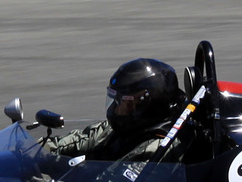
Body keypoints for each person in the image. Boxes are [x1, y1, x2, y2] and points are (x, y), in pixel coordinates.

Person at [39, 58, 185, 172]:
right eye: (114, 100)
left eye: (123, 102)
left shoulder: (156, 150)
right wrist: (31, 151)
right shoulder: (118, 129)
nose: (116, 109)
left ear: (145, 105)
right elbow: (78, 140)